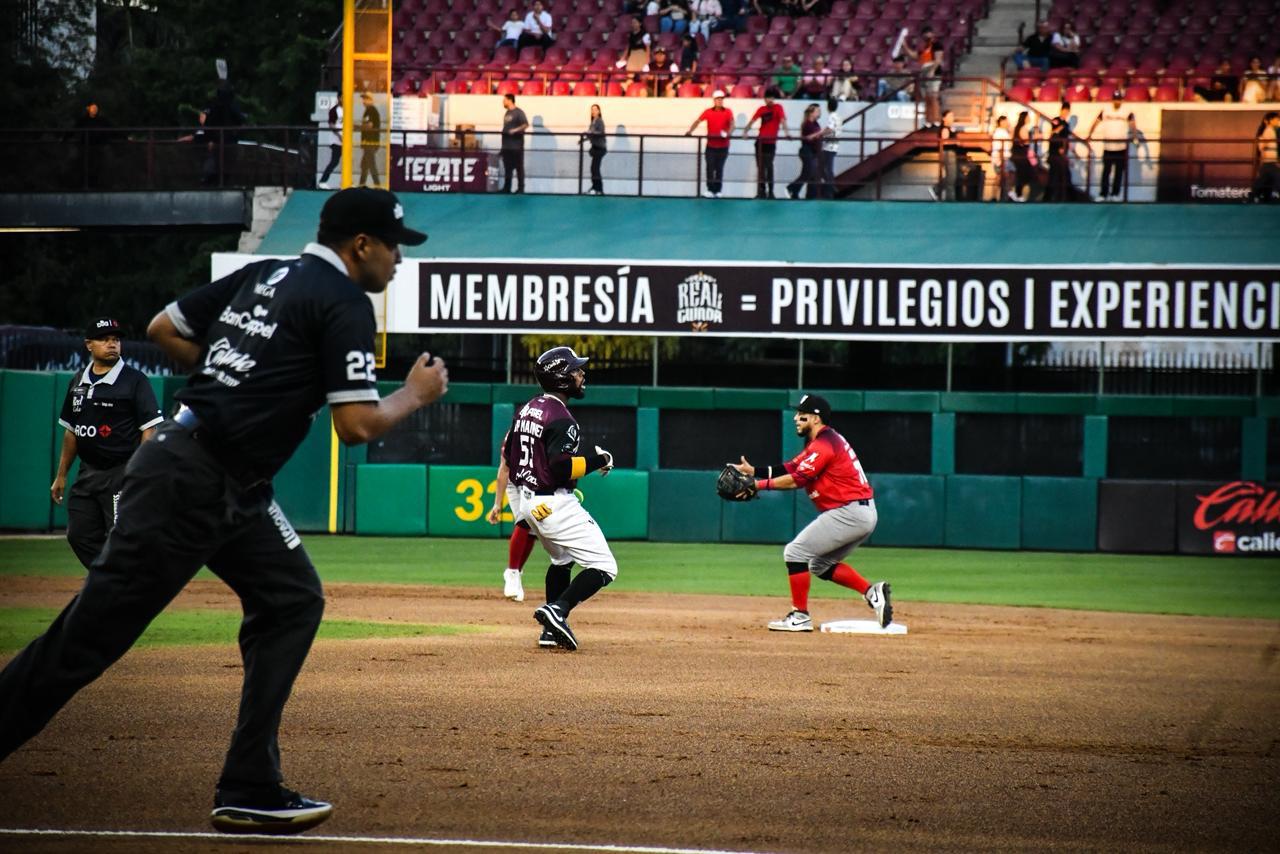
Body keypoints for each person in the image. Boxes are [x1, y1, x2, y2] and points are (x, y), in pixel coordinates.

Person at [0, 187, 449, 835]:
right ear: (361, 246)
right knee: (84, 640)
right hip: (191, 480)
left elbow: (164, 328)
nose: (398, 260)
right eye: (393, 248)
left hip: (229, 482)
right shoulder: (344, 301)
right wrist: (414, 393)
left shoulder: (264, 274)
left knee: (291, 600)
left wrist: (236, 378)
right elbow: (355, 425)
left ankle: (250, 784)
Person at [730, 394, 891, 633]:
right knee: (820, 564)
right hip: (860, 512)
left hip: (849, 511)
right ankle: (872, 593)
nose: (796, 418)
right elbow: (792, 467)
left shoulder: (825, 444)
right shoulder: (822, 442)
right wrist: (755, 471)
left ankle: (800, 616)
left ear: (816, 418)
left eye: (802, 414)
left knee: (795, 552)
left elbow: (798, 479)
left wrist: (757, 485)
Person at [506, 346, 617, 651]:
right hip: (554, 503)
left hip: (530, 502)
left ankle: (549, 631)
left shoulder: (528, 408)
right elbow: (560, 467)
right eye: (576, 370)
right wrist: (600, 460)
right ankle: (558, 610)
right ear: (561, 378)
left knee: (562, 560)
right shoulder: (562, 419)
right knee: (605, 566)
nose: (582, 375)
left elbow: (510, 457)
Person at [51, 318, 163, 570]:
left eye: (116, 339)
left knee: (122, 537)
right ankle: (111, 579)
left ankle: (129, 581)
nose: (112, 344)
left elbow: (149, 428)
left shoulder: (134, 380)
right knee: (79, 535)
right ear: (89, 344)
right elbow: (71, 432)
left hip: (121, 473)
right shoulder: (77, 381)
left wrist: (139, 471)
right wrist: (61, 475)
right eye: (104, 339)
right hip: (87, 474)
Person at [488, 431, 540, 610]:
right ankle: (512, 572)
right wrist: (497, 504)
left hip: (534, 480)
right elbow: (504, 470)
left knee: (533, 530)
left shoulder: (545, 430)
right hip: (515, 482)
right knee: (524, 520)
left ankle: (516, 571)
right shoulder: (513, 435)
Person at [685, 89, 734, 198]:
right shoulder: (708, 112)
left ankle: (718, 190)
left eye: (721, 99)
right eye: (717, 99)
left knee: (719, 168)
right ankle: (710, 190)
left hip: (723, 146)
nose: (719, 101)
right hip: (711, 146)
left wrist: (728, 133)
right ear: (714, 100)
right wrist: (690, 131)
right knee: (710, 168)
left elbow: (732, 124)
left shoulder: (728, 111)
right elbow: (698, 121)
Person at [743, 87, 790, 198]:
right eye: (768, 98)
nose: (770, 100)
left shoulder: (778, 107)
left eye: (772, 98)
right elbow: (752, 121)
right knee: (760, 167)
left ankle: (771, 191)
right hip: (760, 143)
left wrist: (787, 133)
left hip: (770, 143)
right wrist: (745, 131)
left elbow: (783, 120)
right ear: (765, 99)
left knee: (769, 166)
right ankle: (761, 191)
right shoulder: (761, 109)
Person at [1087, 90, 1134, 201]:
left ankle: (1115, 194)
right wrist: (1090, 134)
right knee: (1106, 172)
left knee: (1119, 172)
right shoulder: (1105, 110)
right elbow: (1096, 121)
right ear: (1112, 100)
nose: (1117, 102)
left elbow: (1133, 124)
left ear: (1121, 100)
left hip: (1121, 147)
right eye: (1115, 99)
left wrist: (1135, 137)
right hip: (1108, 147)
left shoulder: (1127, 111)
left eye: (1118, 99)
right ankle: (1103, 194)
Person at [900, 25, 943, 123]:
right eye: (925, 34)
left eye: (928, 33)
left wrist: (932, 70)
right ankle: (929, 120)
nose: (927, 36)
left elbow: (938, 59)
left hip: (933, 73)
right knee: (926, 98)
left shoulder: (937, 45)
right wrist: (904, 45)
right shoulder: (924, 48)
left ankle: (937, 120)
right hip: (924, 72)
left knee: (933, 97)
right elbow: (914, 56)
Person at [786, 103, 823, 199]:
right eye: (817, 111)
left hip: (814, 151)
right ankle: (792, 188)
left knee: (813, 174)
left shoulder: (816, 123)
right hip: (807, 150)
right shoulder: (807, 124)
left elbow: (818, 135)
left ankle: (808, 195)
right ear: (811, 113)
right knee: (807, 173)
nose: (819, 113)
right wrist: (820, 133)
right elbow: (810, 137)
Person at [1044, 101, 1073, 201]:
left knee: (1064, 175)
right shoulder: (1056, 120)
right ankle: (1048, 198)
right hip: (1054, 153)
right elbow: (1053, 134)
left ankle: (1063, 197)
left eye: (1067, 112)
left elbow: (1066, 138)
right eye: (1064, 111)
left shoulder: (1066, 124)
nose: (1065, 113)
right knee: (1053, 176)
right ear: (1061, 110)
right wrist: (1060, 128)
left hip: (1063, 154)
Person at [501, 93, 529, 193]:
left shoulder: (519, 112)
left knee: (519, 167)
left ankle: (521, 188)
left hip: (516, 146)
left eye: (505, 100)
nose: (503, 102)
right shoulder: (507, 113)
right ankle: (507, 188)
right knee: (507, 168)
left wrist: (515, 130)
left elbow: (525, 125)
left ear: (510, 100)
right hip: (506, 146)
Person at [928, 109, 958, 201]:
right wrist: (956, 142)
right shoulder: (945, 128)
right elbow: (944, 141)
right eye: (950, 116)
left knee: (951, 177)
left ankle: (937, 189)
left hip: (950, 152)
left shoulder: (950, 128)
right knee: (951, 177)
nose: (952, 118)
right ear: (944, 118)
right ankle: (949, 198)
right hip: (948, 152)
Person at [1251, 112, 1280, 204]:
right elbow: (1262, 145)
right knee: (1277, 178)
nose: (1278, 121)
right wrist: (1264, 156)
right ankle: (1254, 196)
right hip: (1269, 161)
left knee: (1263, 180)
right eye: (1276, 119)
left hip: (1270, 161)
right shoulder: (1268, 130)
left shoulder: (1271, 130)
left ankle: (1254, 196)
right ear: (1269, 121)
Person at [1010, 110, 1036, 202]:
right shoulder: (1023, 128)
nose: (1029, 119)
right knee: (1024, 173)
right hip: (1021, 154)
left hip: (1016, 153)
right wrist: (1032, 137)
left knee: (1021, 174)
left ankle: (1017, 193)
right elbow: (1026, 142)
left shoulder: (1015, 128)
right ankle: (1017, 193)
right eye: (1028, 117)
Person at [616, 17, 651, 82]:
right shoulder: (631, 35)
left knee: (643, 76)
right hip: (632, 55)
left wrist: (647, 61)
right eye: (632, 23)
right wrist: (623, 58)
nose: (633, 24)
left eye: (635, 22)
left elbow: (648, 47)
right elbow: (628, 47)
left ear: (640, 23)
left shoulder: (645, 34)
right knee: (630, 75)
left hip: (641, 55)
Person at [820, 97, 841, 199]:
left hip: (829, 146)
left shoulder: (831, 116)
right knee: (826, 167)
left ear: (828, 106)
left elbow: (830, 129)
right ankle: (830, 187)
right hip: (835, 145)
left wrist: (820, 134)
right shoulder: (838, 117)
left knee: (826, 168)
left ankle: (831, 188)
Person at [318, 101, 343, 189]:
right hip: (337, 141)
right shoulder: (334, 110)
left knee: (350, 161)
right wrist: (339, 135)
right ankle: (322, 181)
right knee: (334, 161)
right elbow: (331, 124)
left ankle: (346, 182)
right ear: (339, 98)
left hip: (348, 140)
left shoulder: (349, 109)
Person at [358, 91, 381, 187]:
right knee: (364, 165)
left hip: (370, 142)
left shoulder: (371, 110)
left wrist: (357, 127)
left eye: (365, 99)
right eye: (363, 99)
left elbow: (369, 125)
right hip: (368, 142)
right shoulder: (368, 110)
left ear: (370, 100)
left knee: (371, 164)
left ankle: (377, 185)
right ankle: (361, 184)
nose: (363, 101)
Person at [583, 103, 607, 194]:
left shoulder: (599, 121)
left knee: (595, 168)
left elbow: (600, 132)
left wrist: (591, 133)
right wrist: (584, 138)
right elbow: (591, 134)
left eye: (595, 109)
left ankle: (598, 188)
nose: (593, 111)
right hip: (595, 147)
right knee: (594, 168)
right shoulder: (593, 121)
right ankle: (595, 187)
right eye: (592, 109)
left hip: (600, 147)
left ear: (599, 111)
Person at [990, 114, 1013, 201]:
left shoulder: (1004, 132)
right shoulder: (999, 132)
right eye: (1006, 121)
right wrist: (1000, 160)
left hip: (1005, 157)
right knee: (1001, 177)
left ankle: (1001, 196)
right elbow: (999, 146)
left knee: (1004, 177)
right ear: (1001, 122)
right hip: (1001, 158)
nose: (1007, 123)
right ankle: (997, 196)